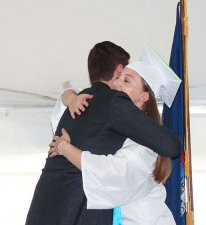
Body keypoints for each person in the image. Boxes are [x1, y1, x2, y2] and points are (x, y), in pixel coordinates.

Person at [25, 41, 181, 225]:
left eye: (126, 81)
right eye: (119, 77)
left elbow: (111, 174)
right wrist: (70, 96)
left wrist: (65, 148)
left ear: (144, 96)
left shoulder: (145, 145)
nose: (115, 84)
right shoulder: (112, 121)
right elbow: (72, 102)